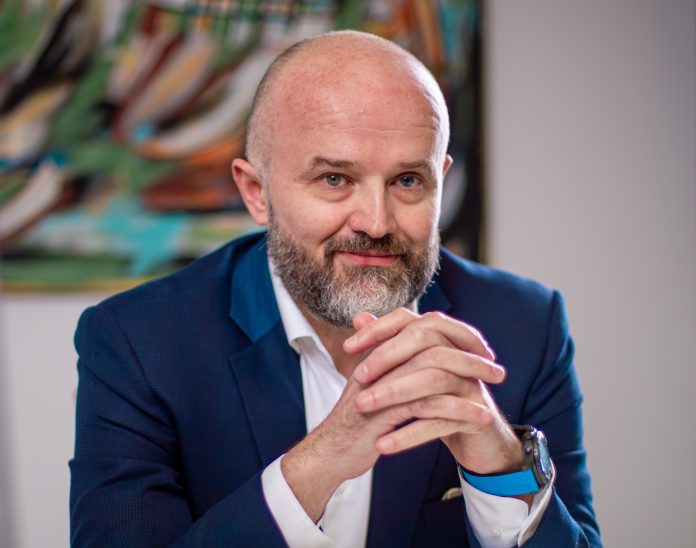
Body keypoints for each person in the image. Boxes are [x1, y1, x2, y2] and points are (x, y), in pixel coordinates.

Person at [69, 30, 601, 547]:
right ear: (256, 192)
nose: (376, 222)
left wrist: (504, 468)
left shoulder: (527, 326)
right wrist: (322, 461)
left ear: (440, 181)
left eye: (408, 181)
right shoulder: (137, 341)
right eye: (334, 179)